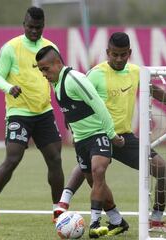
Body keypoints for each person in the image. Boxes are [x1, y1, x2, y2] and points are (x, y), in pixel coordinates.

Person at [53, 32, 166, 233]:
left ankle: (156, 219)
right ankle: (67, 203)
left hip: (124, 138)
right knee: (92, 173)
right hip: (98, 135)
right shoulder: (95, 74)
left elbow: (154, 90)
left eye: (123, 55)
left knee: (165, 172)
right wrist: (70, 120)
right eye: (114, 54)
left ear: (129, 53)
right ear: (107, 52)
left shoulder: (136, 72)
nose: (118, 59)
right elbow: (78, 97)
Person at [0, 6, 64, 225]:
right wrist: (9, 87)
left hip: (44, 112)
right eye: (30, 27)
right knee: (13, 157)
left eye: (38, 27)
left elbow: (58, 78)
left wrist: (66, 106)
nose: (34, 31)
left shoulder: (51, 48)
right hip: (19, 113)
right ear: (23, 25)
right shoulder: (11, 48)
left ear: (43, 26)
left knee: (55, 159)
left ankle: (58, 212)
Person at [36, 45, 129, 238]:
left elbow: (98, 103)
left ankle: (95, 223)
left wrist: (111, 134)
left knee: (98, 172)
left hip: (99, 133)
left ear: (58, 63)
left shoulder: (74, 79)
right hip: (81, 140)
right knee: (92, 180)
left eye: (46, 69)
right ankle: (117, 220)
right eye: (41, 70)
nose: (44, 74)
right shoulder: (56, 82)